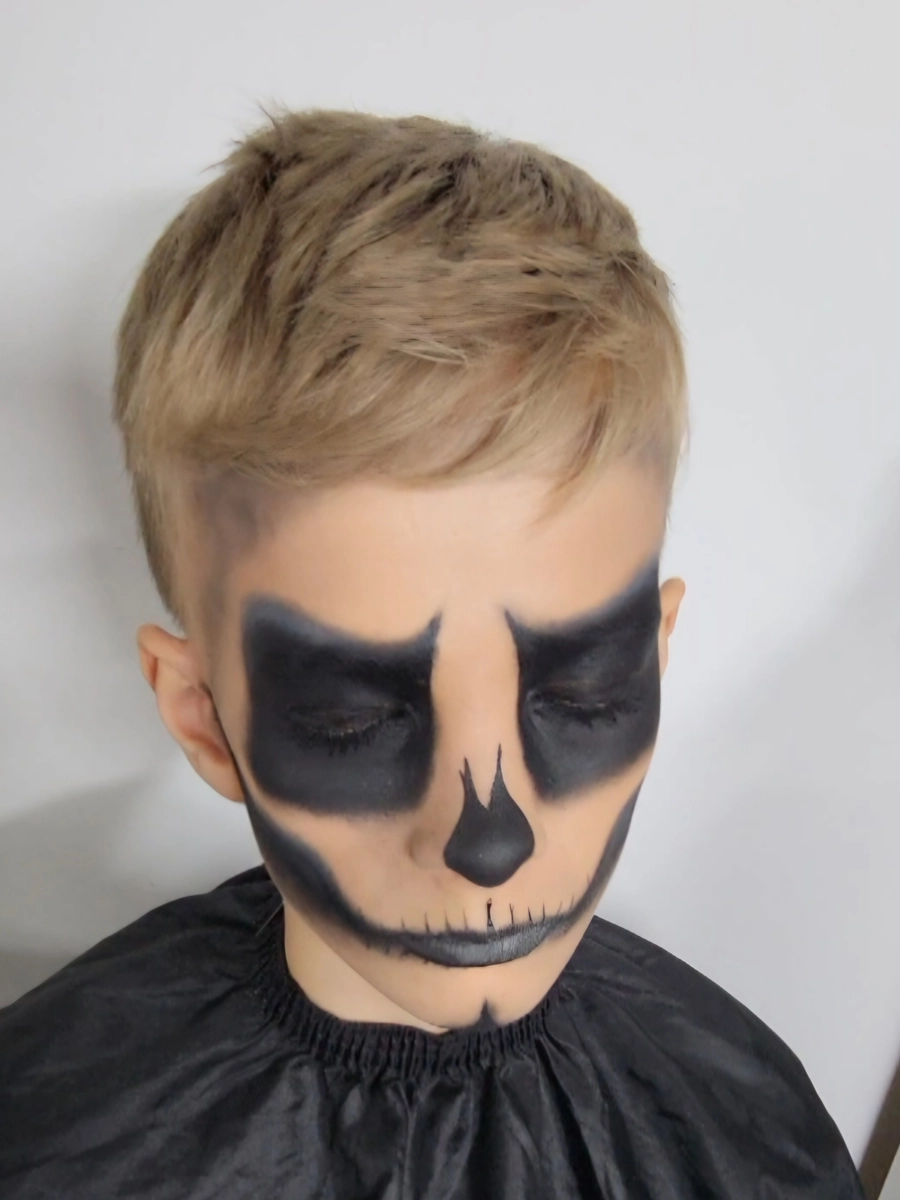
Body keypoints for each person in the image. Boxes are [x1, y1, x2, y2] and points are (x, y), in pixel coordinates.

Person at [0, 108, 865, 1198]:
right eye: (354, 721)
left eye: (585, 693)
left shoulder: (740, 1123)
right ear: (202, 716)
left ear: (655, 657)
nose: (490, 840)